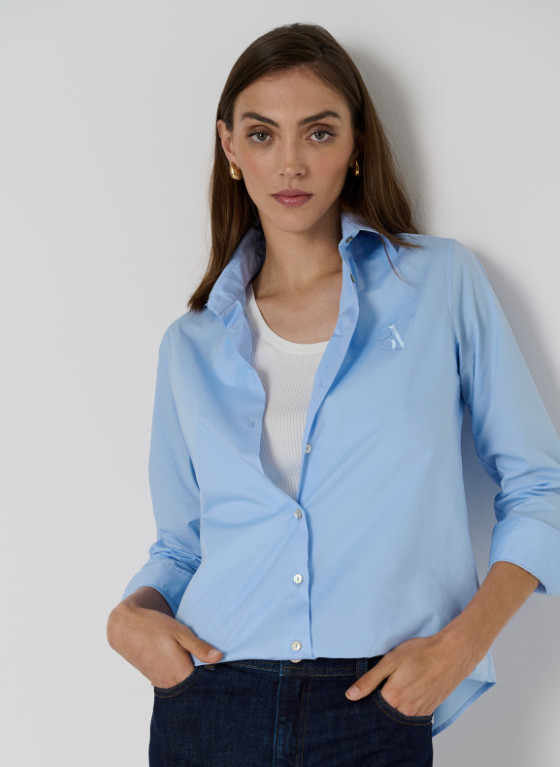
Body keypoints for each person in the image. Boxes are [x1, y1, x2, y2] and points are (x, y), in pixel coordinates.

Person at [106, 23, 560, 767]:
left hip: (375, 703)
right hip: (211, 700)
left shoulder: (440, 285)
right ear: (229, 147)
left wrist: (461, 645)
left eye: (318, 132)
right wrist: (129, 616)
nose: (290, 163)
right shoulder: (190, 345)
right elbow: (183, 545)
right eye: (262, 134)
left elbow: (541, 485)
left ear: (356, 145)